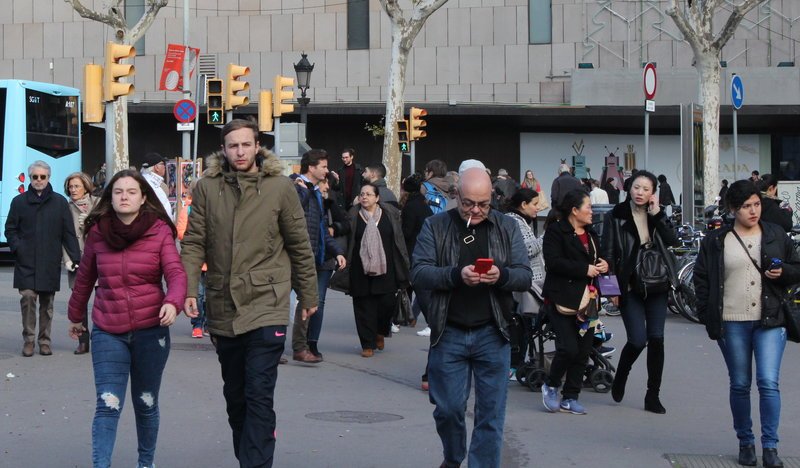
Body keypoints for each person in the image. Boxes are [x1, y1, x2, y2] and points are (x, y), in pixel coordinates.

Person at [180, 119, 319, 468]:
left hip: (267, 302)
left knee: (258, 392)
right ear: (223, 150)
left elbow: (299, 244)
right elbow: (194, 242)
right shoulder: (207, 188)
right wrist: (188, 287)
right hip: (223, 303)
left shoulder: (280, 187)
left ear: (257, 146)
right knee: (237, 397)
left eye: (246, 144)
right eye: (233, 146)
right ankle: (250, 458)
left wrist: (308, 294)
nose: (240, 152)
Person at [411, 167, 531, 468]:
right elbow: (419, 272)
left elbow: (524, 276)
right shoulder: (435, 225)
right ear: (456, 196)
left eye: (483, 204)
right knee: (448, 409)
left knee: (491, 414)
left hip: (494, 331)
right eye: (468, 203)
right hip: (449, 331)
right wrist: (455, 275)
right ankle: (453, 457)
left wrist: (501, 276)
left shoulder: (507, 226)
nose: (476, 210)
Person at [67, 169, 187, 468]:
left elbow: (175, 272)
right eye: (118, 191)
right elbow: (85, 278)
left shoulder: (159, 230)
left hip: (151, 331)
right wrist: (75, 316)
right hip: (108, 330)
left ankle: (146, 463)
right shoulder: (98, 232)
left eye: (131, 192)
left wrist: (173, 302)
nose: (124, 197)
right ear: (110, 197)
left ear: (143, 197)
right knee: (108, 403)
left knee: (146, 402)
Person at [694, 180, 800, 468]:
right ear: (732, 209)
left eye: (756, 204)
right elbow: (701, 278)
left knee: (768, 383)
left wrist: (783, 272)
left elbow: (797, 268)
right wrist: (706, 314)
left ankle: (771, 447)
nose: (753, 211)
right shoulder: (717, 240)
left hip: (771, 320)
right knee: (740, 384)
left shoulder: (775, 233)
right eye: (746, 207)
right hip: (732, 322)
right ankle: (746, 443)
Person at [601, 170, 680, 414]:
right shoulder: (616, 216)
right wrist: (610, 289)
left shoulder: (657, 213)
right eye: (636, 187)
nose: (640, 193)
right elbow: (607, 254)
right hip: (629, 285)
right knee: (637, 340)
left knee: (656, 339)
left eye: (646, 189)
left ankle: (652, 395)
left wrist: (657, 214)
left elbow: (672, 239)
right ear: (629, 188)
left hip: (657, 284)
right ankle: (622, 373)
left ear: (653, 193)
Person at [541, 189, 608, 415]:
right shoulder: (556, 231)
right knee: (568, 348)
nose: (592, 211)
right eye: (588, 207)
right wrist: (583, 269)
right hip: (561, 299)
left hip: (588, 300)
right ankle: (551, 385)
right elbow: (553, 262)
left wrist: (604, 264)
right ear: (574, 210)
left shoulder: (591, 233)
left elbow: (598, 257)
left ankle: (571, 396)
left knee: (583, 350)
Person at [5, 160, 81, 357]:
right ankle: (29, 341)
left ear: (48, 178)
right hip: (26, 261)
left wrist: (76, 257)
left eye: (42, 176)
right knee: (28, 298)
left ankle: (44, 341)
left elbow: (68, 232)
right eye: (35, 177)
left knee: (47, 304)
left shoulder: (59, 202)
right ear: (30, 178)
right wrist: (18, 248)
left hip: (49, 261)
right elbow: (10, 229)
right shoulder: (19, 201)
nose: (38, 180)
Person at [291, 149, 346, 363]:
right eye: (323, 166)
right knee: (279, 302)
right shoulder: (294, 186)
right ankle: (276, 347)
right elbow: (291, 214)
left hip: (309, 257)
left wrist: (337, 251)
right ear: (311, 167)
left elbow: (321, 228)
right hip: (290, 256)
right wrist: (304, 192)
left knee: (309, 299)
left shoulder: (315, 192)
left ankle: (301, 347)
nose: (326, 170)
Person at [343, 183, 409, 357]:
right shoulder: (353, 215)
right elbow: (347, 238)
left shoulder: (390, 214)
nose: (364, 197)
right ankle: (367, 343)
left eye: (369, 194)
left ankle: (381, 331)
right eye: (362, 194)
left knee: (387, 304)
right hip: (360, 269)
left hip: (386, 268)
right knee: (363, 307)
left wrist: (404, 263)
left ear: (377, 198)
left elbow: (398, 239)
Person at [504, 188, 544, 378]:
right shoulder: (514, 222)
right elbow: (525, 250)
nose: (538, 208)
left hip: (525, 282)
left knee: (524, 325)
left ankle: (517, 363)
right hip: (520, 284)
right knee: (520, 325)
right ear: (523, 205)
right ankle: (514, 365)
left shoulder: (520, 221)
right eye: (535, 204)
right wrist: (544, 238)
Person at [63, 172, 100, 355]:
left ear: (85, 187)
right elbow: (61, 235)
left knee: (103, 302)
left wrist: (89, 221)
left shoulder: (98, 204)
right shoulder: (66, 207)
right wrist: (67, 258)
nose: (73, 190)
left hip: (98, 259)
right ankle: (83, 342)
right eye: (70, 187)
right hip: (77, 259)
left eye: (76, 186)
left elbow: (107, 228)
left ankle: (102, 340)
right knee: (79, 303)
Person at [175, 180, 208, 339]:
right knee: (198, 295)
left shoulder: (214, 209)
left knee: (211, 296)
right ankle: (197, 324)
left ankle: (208, 324)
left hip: (213, 261)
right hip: (197, 263)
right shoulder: (187, 210)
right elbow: (180, 232)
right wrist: (196, 235)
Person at [140, 152, 173, 219]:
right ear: (156, 167)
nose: (164, 166)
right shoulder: (151, 185)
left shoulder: (146, 181)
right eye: (163, 164)